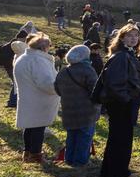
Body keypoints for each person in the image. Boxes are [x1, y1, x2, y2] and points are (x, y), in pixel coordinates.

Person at [98, 24, 140, 177]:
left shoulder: (127, 53)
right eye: (130, 35)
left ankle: (111, 171)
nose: (134, 38)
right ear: (122, 37)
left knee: (118, 138)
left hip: (121, 102)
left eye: (136, 35)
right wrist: (126, 99)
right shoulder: (121, 55)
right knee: (121, 139)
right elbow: (114, 83)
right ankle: (118, 174)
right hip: (120, 103)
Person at [13, 33, 60, 164]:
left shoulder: (24, 57)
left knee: (29, 127)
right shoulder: (38, 61)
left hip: (29, 98)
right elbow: (46, 83)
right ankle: (35, 155)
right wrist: (59, 88)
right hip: (39, 100)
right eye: (49, 45)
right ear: (44, 47)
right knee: (38, 128)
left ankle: (27, 153)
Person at [53, 44, 100, 167]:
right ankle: (80, 162)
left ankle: (69, 159)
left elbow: (57, 90)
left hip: (68, 110)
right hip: (86, 111)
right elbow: (95, 91)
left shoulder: (63, 72)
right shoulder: (88, 70)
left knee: (72, 136)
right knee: (84, 137)